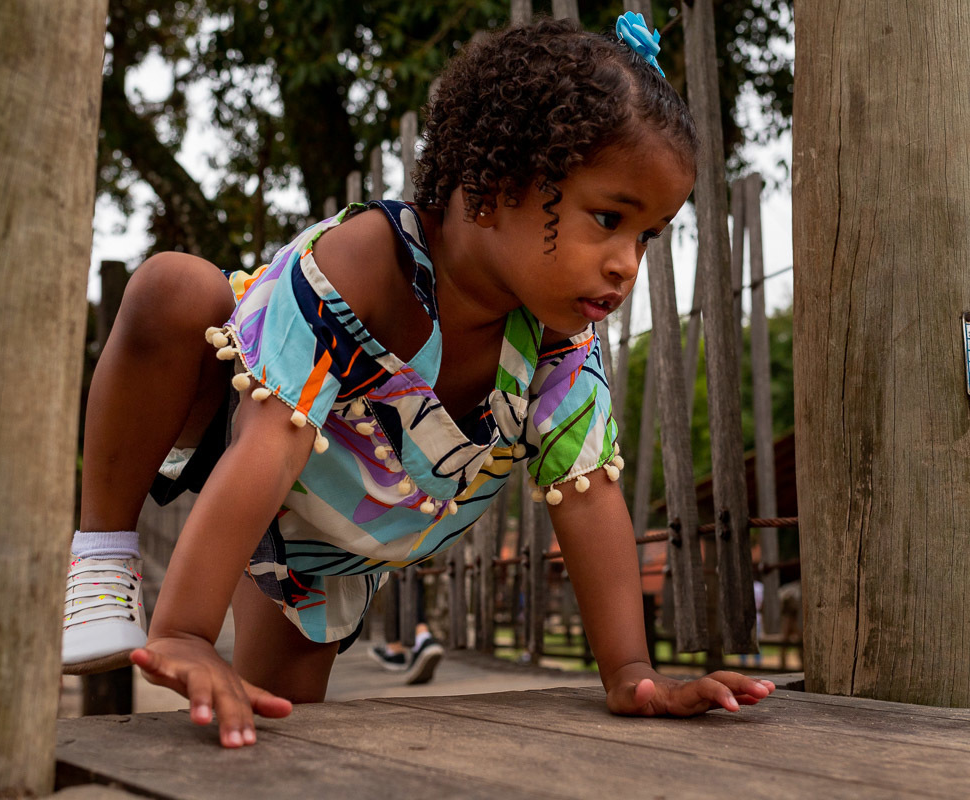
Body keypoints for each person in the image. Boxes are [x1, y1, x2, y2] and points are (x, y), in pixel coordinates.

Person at [61, 12, 775, 748]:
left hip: (327, 541)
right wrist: (183, 632)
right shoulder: (368, 263)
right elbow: (270, 442)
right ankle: (101, 564)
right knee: (172, 289)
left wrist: (631, 674)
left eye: (648, 235)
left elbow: (588, 493)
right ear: (493, 183)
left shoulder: (557, 348)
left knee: (269, 729)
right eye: (607, 218)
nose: (628, 262)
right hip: (248, 416)